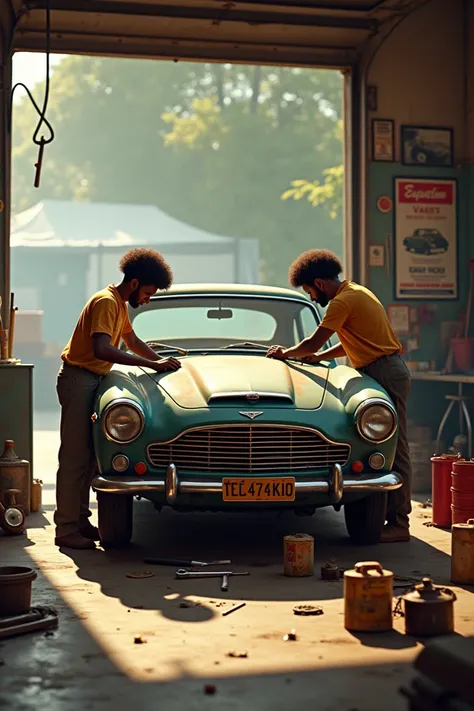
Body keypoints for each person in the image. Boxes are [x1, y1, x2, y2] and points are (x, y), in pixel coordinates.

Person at [266, 249, 411, 543]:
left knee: (395, 449)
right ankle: (395, 520)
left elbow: (313, 340)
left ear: (319, 283)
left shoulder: (342, 302)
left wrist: (286, 353)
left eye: (308, 291)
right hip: (383, 367)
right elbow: (350, 344)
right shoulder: (357, 292)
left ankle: (399, 524)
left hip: (383, 370)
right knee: (393, 447)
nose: (310, 298)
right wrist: (317, 357)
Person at [54, 248, 182, 550]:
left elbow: (133, 341)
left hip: (92, 380)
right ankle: (65, 529)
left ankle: (81, 521)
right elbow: (102, 348)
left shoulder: (120, 305)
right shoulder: (106, 302)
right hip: (79, 378)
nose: (148, 298)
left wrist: (161, 361)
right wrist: (150, 365)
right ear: (135, 283)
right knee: (74, 458)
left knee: (89, 458)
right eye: (148, 292)